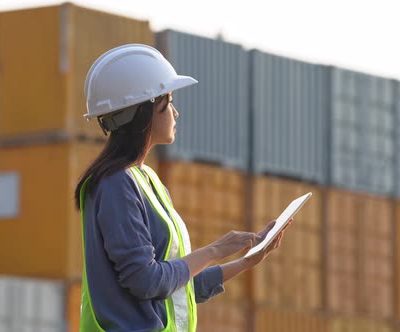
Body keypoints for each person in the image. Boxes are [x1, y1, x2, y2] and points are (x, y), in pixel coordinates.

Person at [73, 44, 288, 332]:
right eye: (168, 101)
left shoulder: (147, 182)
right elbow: (147, 281)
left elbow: (176, 286)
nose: (176, 112)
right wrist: (215, 249)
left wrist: (247, 261)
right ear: (144, 111)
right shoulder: (116, 185)